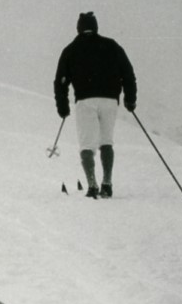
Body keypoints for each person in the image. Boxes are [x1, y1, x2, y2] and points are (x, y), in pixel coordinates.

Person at [55, 12, 137, 199]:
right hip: (110, 100)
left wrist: (63, 106)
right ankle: (107, 183)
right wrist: (130, 99)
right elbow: (128, 73)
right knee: (106, 141)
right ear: (96, 27)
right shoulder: (112, 46)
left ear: (79, 28)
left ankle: (92, 185)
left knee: (87, 144)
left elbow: (60, 81)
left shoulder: (71, 49)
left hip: (85, 100)